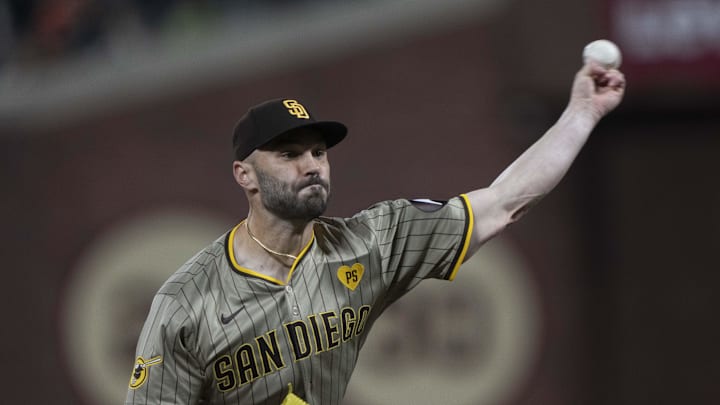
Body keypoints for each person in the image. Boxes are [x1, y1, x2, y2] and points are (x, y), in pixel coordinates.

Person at [126, 61, 625, 405]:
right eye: (289, 154)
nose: (312, 166)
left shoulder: (370, 243)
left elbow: (501, 204)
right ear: (245, 175)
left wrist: (582, 113)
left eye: (319, 152)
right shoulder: (186, 304)